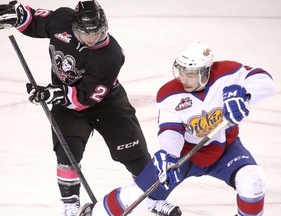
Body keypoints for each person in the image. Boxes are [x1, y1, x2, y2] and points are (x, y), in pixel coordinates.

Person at [0, 1, 181, 216]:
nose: (92, 38)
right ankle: (71, 207)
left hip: (108, 103)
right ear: (74, 25)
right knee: (67, 153)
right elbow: (35, 20)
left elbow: (85, 99)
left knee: (134, 154)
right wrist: (18, 15)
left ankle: (152, 198)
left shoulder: (111, 56)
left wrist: (51, 93)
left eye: (97, 32)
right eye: (85, 33)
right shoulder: (61, 20)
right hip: (67, 104)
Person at [81, 41, 275, 216]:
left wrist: (244, 95)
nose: (183, 79)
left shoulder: (228, 73)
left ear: (206, 71)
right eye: (180, 72)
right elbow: (170, 130)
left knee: (252, 179)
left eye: (190, 74)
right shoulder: (170, 94)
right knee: (137, 198)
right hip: (183, 156)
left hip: (225, 149)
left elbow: (264, 80)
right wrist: (169, 156)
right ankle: (94, 213)